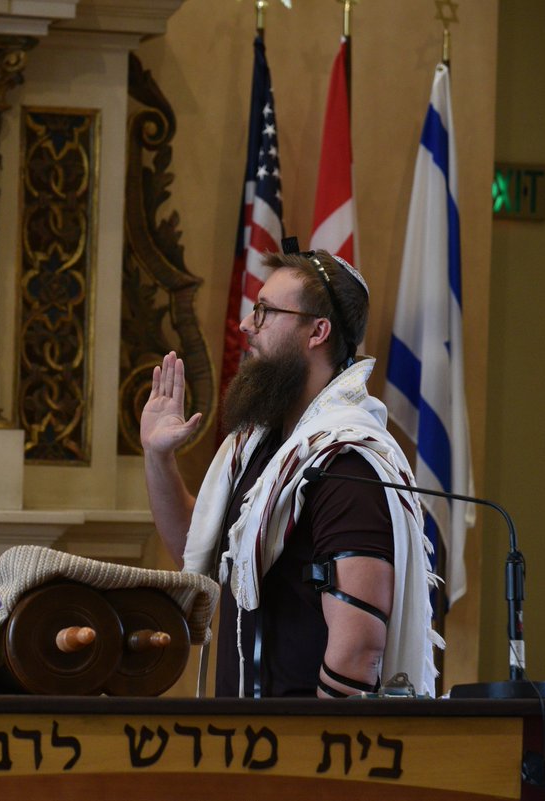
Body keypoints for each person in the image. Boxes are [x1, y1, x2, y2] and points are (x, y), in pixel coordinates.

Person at [140, 248, 440, 698]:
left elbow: (358, 650)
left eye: (264, 311)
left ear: (318, 331)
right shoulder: (260, 445)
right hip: (247, 734)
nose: (246, 325)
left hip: (297, 737)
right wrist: (158, 456)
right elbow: (194, 546)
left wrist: (312, 741)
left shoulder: (345, 461)